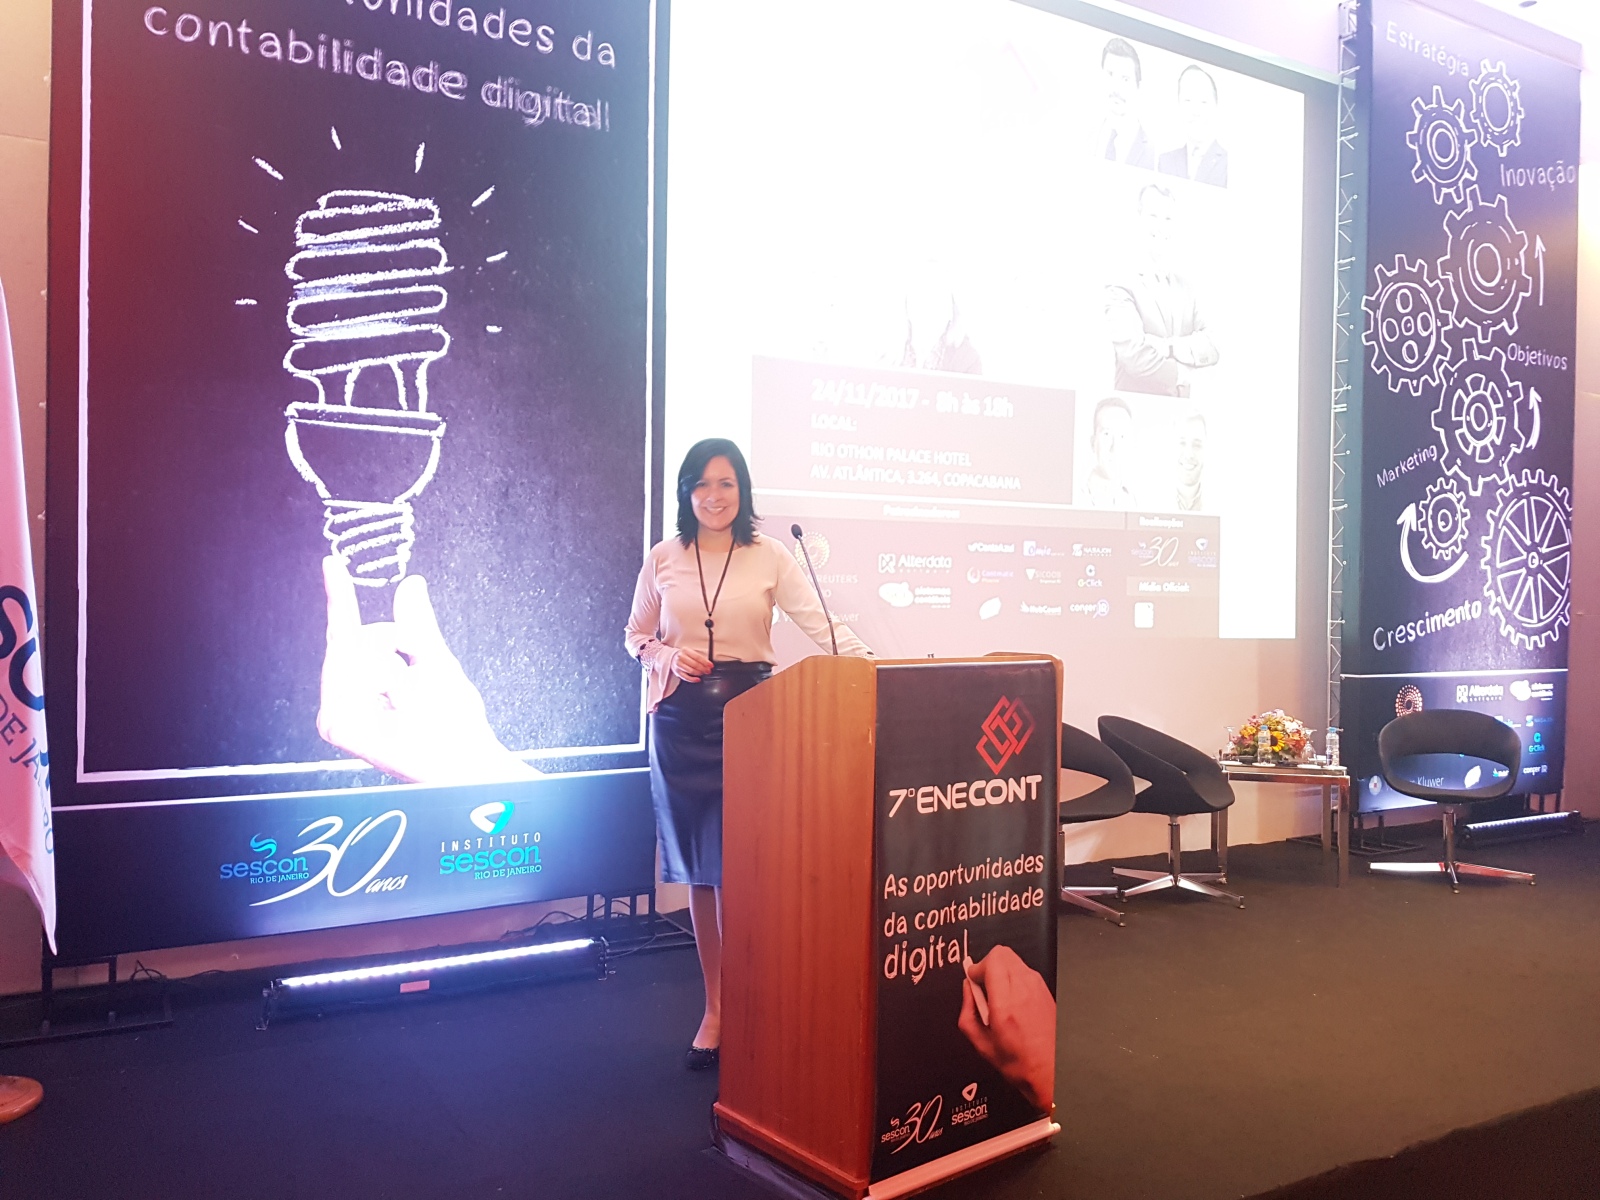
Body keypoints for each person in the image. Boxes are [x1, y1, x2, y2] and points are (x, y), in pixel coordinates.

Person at [625, 438, 872, 1070]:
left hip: (754, 720)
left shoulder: (770, 555)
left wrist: (872, 664)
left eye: (726, 483)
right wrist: (668, 655)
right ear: (687, 491)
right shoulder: (664, 557)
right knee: (704, 872)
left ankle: (760, 1002)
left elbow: (820, 624)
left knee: (752, 869)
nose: (714, 496)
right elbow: (635, 637)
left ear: (743, 490)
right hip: (680, 723)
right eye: (702, 484)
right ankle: (716, 1009)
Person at [1103, 183, 1219, 397]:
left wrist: (1169, 347)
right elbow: (1134, 356)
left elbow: (1213, 346)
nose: (1161, 226)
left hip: (1182, 409)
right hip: (1138, 408)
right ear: (1138, 219)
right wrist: (1183, 375)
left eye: (1168, 219)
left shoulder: (1188, 287)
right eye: (1153, 216)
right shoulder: (1120, 282)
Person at [1158, 65, 1229, 187]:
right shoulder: (1165, 161)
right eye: (1188, 101)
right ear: (1178, 105)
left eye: (1203, 102)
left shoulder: (1229, 163)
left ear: (1216, 106)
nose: (1195, 111)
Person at [1099, 38, 1153, 169]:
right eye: (1110, 74)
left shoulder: (1153, 154)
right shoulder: (1084, 136)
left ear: (1139, 87)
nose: (1116, 88)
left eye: (1125, 79)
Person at [1080, 396, 1136, 509]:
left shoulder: (1133, 502)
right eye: (1107, 434)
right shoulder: (1075, 497)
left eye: (1122, 436)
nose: (1115, 448)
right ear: (1093, 443)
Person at [1174, 412, 1206, 511]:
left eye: (1197, 445)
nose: (1189, 454)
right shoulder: (1147, 502)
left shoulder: (1223, 505)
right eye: (1182, 443)